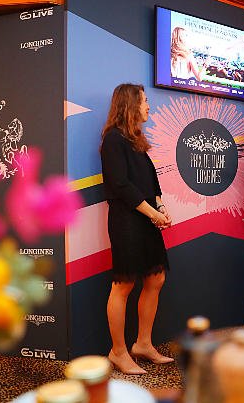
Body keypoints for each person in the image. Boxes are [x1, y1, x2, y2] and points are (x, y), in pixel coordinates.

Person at [100, 84, 174, 375]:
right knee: (124, 284)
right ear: (130, 104)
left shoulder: (136, 140)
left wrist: (161, 208)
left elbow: (151, 182)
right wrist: (154, 213)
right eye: (144, 101)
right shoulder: (113, 140)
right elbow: (121, 185)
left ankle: (143, 344)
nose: (148, 106)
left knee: (156, 277)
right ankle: (118, 352)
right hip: (127, 222)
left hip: (147, 219)